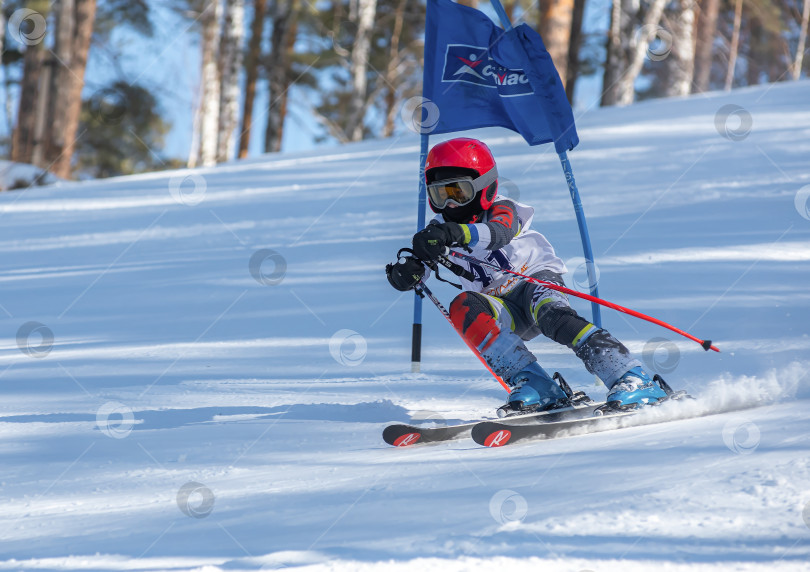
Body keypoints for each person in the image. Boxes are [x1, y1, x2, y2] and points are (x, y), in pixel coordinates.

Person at [387, 137, 670, 414]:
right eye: (440, 194)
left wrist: (455, 233)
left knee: (550, 314)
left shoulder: (503, 208)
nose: (450, 204)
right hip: (503, 309)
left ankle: (629, 376)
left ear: (484, 187)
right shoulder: (440, 228)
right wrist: (409, 272)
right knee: (463, 305)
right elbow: (421, 266)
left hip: (534, 281)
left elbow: (500, 233)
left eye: (458, 192)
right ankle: (537, 384)